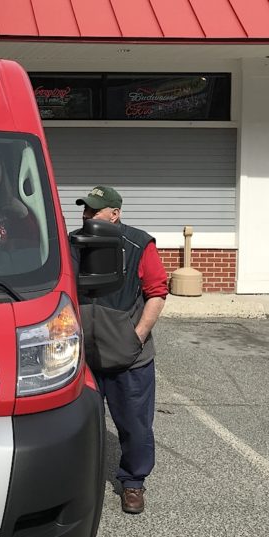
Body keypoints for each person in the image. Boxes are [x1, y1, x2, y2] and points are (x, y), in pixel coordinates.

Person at [76, 185, 168, 515]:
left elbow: (157, 291)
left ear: (114, 214)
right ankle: (79, 482)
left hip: (129, 356)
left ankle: (133, 482)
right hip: (83, 354)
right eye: (85, 209)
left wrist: (138, 335)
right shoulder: (74, 243)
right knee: (78, 424)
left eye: (94, 210)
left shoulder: (139, 243)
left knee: (135, 425)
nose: (86, 215)